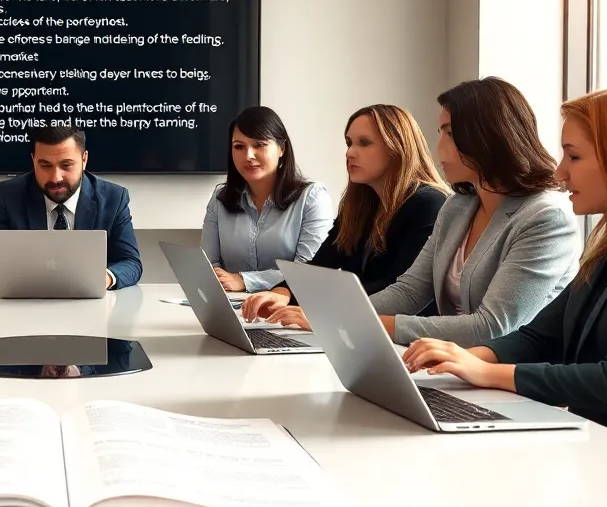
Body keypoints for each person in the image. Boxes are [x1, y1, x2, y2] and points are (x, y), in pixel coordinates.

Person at [403, 81, 607, 453]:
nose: (559, 173)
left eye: (573, 156)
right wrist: (458, 359)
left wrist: (485, 372)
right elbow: (540, 337)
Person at [249, 77, 579, 347]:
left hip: (508, 381)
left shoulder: (545, 218)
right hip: (444, 364)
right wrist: (330, 315)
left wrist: (343, 320)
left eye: (449, 132)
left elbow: (491, 327)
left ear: (486, 135)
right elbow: (409, 291)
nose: (439, 147)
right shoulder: (459, 206)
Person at [239, 104, 448, 317]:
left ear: (397, 147)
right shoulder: (361, 205)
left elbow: (399, 290)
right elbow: (320, 266)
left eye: (364, 143)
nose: (350, 153)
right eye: (349, 143)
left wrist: (320, 313)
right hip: (357, 326)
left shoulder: (429, 203)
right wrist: (281, 293)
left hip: (406, 339)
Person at [0, 123, 142, 289]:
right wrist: (13, 277)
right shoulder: (8, 195)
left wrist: (101, 280)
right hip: (26, 304)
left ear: (84, 160)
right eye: (45, 166)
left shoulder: (113, 198)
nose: (56, 178)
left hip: (91, 306)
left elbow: (130, 262)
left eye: (66, 165)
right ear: (33, 160)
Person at [201, 106, 333, 292]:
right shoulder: (220, 198)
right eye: (239, 147)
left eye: (259, 145)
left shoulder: (312, 197)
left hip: (289, 309)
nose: (248, 155)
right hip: (232, 305)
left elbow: (308, 271)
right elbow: (209, 266)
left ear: (282, 148)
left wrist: (244, 280)